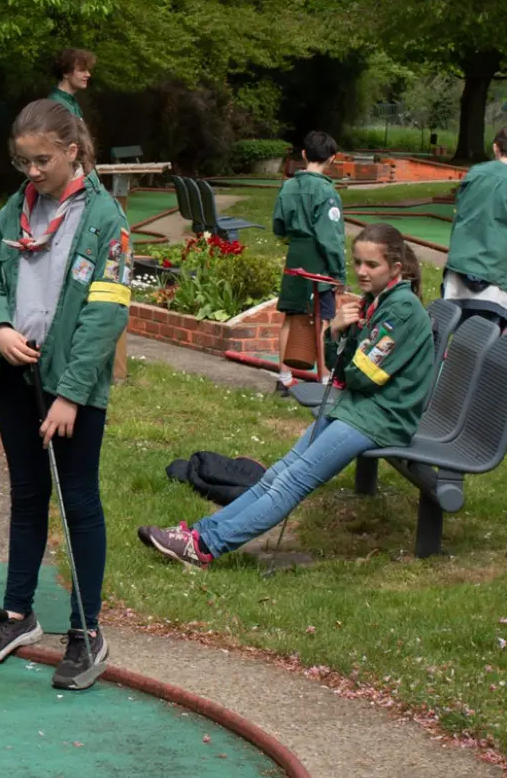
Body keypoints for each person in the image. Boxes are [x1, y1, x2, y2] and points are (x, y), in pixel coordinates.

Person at [138, 224, 434, 568]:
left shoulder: (401, 310)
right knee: (277, 473)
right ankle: (200, 533)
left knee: (292, 481)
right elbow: (341, 367)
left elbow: (360, 375)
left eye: (371, 265)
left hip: (380, 417)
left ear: (396, 268)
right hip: (358, 408)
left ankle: (204, 547)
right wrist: (337, 331)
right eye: (357, 263)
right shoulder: (376, 302)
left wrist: (343, 338)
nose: (361, 272)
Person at [0, 98, 133, 688]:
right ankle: (17, 614)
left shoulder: (105, 219)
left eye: (42, 161)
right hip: (19, 373)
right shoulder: (17, 210)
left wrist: (72, 395)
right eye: (22, 163)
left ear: (72, 150)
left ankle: (86, 631)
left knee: (78, 499)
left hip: (73, 386)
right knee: (27, 494)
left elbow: (106, 316)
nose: (31, 173)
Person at [272, 131, 347, 386]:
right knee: (323, 318)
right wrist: (339, 274)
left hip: (295, 257)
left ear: (303, 154)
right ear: (332, 159)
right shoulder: (327, 192)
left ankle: (283, 378)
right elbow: (331, 238)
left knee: (291, 316)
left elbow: (278, 226)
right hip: (319, 260)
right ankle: (325, 380)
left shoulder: (288, 186)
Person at [444, 124, 507, 327]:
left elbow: (459, 215)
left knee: (451, 333)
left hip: (457, 267)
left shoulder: (473, 174)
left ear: (495, 148)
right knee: (483, 340)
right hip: (493, 274)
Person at [51, 47, 95, 118]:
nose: (88, 74)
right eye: (82, 70)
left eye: (87, 70)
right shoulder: (56, 105)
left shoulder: (71, 102)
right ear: (66, 73)